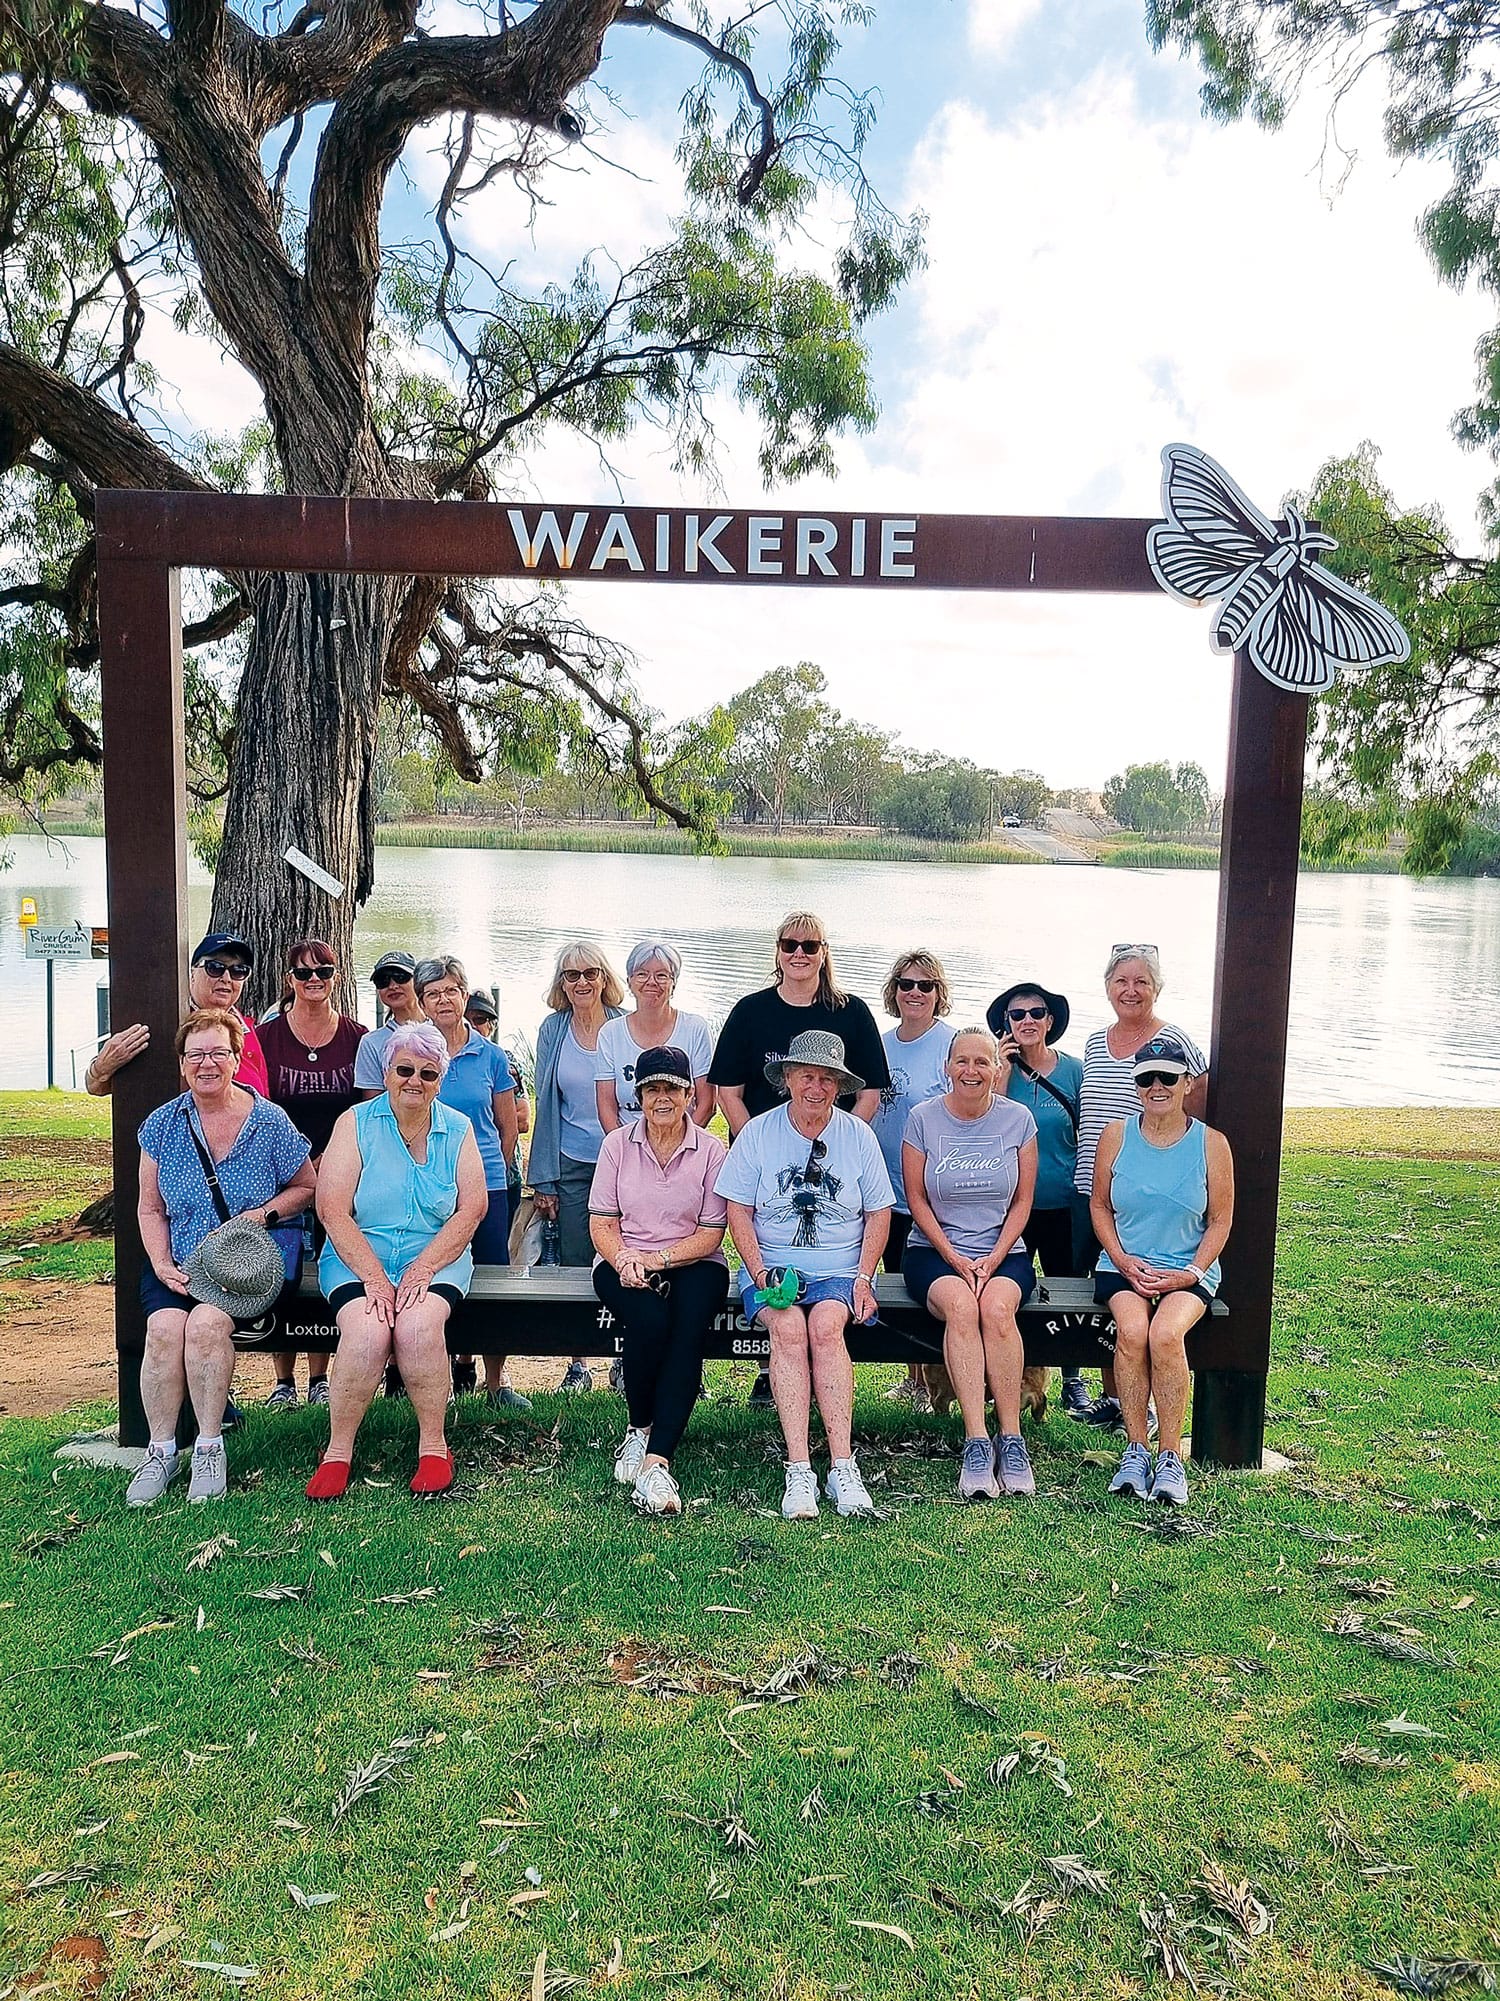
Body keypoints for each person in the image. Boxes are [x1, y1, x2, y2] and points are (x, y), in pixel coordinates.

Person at [127, 1008, 315, 1507]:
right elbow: (149, 1205)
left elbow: (306, 1187)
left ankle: (210, 1446)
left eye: (218, 1053)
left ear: (237, 1058)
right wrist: (162, 1263)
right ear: (183, 1064)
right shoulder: (162, 1125)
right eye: (196, 1055)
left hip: (244, 1267)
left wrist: (263, 1216)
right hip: (179, 1257)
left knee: (207, 1326)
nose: (206, 1064)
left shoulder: (269, 1121)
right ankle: (161, 1450)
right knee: (165, 1330)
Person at [709, 912, 889, 1404]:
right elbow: (727, 1088)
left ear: (824, 952)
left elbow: (870, 1090)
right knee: (779, 1282)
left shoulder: (850, 1013)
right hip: (767, 1158)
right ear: (778, 951)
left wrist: (841, 1143)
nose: (800, 954)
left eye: (811, 945)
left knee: (824, 1304)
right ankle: (775, 1374)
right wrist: (764, 1145)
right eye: (790, 944)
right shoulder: (750, 1010)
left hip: (835, 1151)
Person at [716, 1030, 894, 1521]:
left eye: (827, 1080)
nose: (816, 1088)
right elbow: (738, 1210)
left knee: (825, 1325)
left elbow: (879, 1213)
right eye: (807, 1076)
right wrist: (758, 1273)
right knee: (789, 1327)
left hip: (841, 1267)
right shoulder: (758, 1132)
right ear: (788, 1079)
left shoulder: (858, 1136)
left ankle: (842, 1464)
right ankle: (799, 1468)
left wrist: (863, 1277)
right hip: (771, 1264)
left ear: (840, 1086)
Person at [308, 1023, 487, 1499]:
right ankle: (337, 1452)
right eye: (404, 1070)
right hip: (357, 1254)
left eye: (428, 1074)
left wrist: (425, 1267)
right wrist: (373, 1277)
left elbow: (472, 1208)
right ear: (386, 1072)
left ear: (440, 1080)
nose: (415, 1081)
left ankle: (434, 1445)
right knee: (367, 1331)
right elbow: (331, 1209)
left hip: (436, 1255)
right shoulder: (355, 1123)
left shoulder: (458, 1129)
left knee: (417, 1327)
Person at [1091, 1033, 1233, 1508]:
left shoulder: (1212, 1144)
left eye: (1167, 1078)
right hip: (1124, 1263)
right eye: (1146, 1078)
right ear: (1136, 1085)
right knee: (1132, 1331)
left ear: (1186, 1083)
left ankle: (1170, 1455)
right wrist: (1121, 1258)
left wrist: (1191, 1272)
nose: (1157, 1086)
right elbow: (1100, 1206)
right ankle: (1135, 1448)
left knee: (1166, 1335)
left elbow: (1220, 1220)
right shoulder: (1116, 1135)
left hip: (1187, 1269)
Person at [589, 1046, 730, 1515]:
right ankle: (638, 1427)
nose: (662, 1098)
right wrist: (627, 1259)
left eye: (672, 1088)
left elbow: (712, 1233)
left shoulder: (711, 1151)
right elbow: (602, 1223)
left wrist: (659, 1259)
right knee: (648, 1321)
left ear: (690, 1094)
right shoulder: (616, 1146)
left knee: (687, 1327)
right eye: (652, 1089)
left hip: (695, 1261)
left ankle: (656, 1460)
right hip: (621, 1258)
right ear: (639, 1096)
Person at [1072, 945, 1207, 1431]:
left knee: (1152, 1312)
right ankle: (1114, 1397)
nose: (1130, 990)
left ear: (1156, 988)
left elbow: (1194, 1112)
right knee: (1105, 1297)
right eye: (1120, 981)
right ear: (1107, 986)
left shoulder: (1175, 1042)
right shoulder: (1093, 1042)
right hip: (1091, 1188)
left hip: (1153, 1196)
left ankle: (1151, 1410)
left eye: (1141, 982)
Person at [902, 1026, 1040, 1500]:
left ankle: (1013, 1439)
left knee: (997, 1311)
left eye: (982, 1062)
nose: (971, 1070)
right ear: (947, 1067)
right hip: (932, 1252)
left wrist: (993, 1257)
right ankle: (976, 1442)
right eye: (962, 1061)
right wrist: (956, 1258)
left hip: (1004, 1252)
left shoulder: (1018, 1120)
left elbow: (1023, 1202)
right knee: (962, 1309)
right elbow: (916, 1199)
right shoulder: (923, 1119)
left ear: (997, 1068)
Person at [416, 954, 529, 1410]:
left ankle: (495, 1381)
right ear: (422, 1002)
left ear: (465, 995)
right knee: (436, 1272)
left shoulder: (492, 1055)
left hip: (487, 1184)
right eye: (433, 993)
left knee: (492, 1277)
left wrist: (490, 1176)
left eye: (451, 990)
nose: (444, 999)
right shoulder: (417, 1052)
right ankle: (442, 1373)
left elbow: (507, 1126)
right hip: (432, 1183)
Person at [258, 938, 367, 1411]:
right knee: (278, 1270)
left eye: (324, 971)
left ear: (336, 977)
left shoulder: (358, 1038)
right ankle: (283, 1381)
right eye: (304, 973)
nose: (314, 980)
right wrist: (301, 1164)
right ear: (290, 981)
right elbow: (257, 1110)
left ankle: (320, 1376)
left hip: (341, 1175)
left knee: (329, 1268)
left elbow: (366, 1111)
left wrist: (329, 1160)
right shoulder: (266, 1039)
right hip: (279, 1177)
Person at [987, 978, 1089, 1416]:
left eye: (1035, 1013)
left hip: (1063, 1202)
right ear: (1005, 1025)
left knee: (1068, 1291)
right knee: (1008, 1291)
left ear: (1050, 1021)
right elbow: (981, 1129)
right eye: (1016, 1015)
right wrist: (1000, 1073)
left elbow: (1091, 1132)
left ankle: (1072, 1379)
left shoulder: (1074, 1071)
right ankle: (1007, 1375)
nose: (1026, 1021)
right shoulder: (996, 1073)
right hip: (1011, 1207)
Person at [530, 942, 625, 1391]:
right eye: (572, 975)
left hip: (625, 1163)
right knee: (573, 1259)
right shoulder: (553, 1029)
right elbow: (544, 1104)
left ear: (605, 978)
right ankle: (579, 1361)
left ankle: (624, 1354)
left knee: (627, 1256)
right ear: (561, 984)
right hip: (570, 1160)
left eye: (590, 973)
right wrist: (543, 1177)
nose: (582, 982)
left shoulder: (624, 1027)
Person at [871, 950, 954, 1412]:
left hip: (931, 1188)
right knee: (895, 1282)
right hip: (884, 1184)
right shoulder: (880, 1044)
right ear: (894, 992)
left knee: (929, 1285)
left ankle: (935, 1379)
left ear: (938, 994)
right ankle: (912, 1377)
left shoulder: (950, 1045)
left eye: (925, 985)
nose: (915, 993)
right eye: (906, 984)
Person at [86, 930, 269, 1098]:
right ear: (192, 973)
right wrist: (100, 1068)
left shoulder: (246, 1027)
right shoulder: (164, 1024)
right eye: (215, 967)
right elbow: (96, 1087)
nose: (226, 978)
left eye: (239, 971)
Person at [595, 942, 715, 1131]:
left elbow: (707, 1103)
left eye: (661, 975)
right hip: (627, 1145)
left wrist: (679, 1148)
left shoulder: (695, 1029)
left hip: (683, 1145)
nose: (652, 982)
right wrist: (623, 1149)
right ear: (629, 981)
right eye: (642, 974)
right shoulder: (610, 1033)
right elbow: (606, 1106)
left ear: (673, 983)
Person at [353, 952, 425, 1093]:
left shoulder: (441, 1029)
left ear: (417, 981)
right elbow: (372, 1104)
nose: (392, 986)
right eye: (383, 981)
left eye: (400, 977)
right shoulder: (371, 1043)